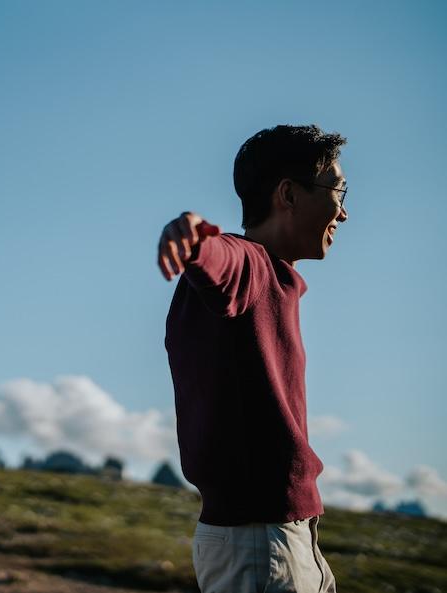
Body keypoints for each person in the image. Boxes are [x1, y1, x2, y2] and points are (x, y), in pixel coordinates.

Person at [159, 125, 347, 592]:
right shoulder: (250, 265)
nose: (343, 212)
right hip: (261, 546)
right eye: (338, 191)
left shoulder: (272, 277)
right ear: (288, 193)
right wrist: (198, 240)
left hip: (289, 538)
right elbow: (222, 259)